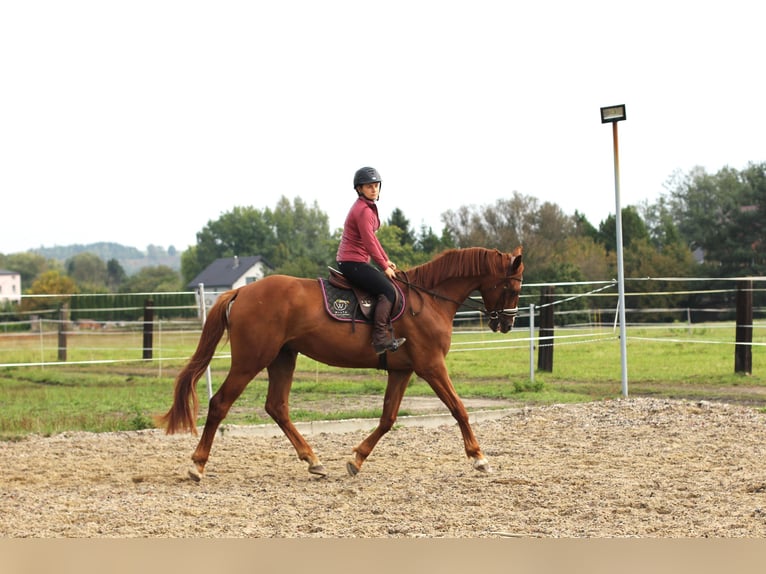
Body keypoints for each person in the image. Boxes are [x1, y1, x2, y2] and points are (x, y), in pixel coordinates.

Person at [336, 166, 406, 354]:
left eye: (376, 186)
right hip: (353, 263)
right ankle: (380, 338)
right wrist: (383, 266)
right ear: (360, 189)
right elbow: (368, 241)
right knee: (388, 291)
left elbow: (373, 239)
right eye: (369, 186)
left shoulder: (367, 208)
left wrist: (386, 259)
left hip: (355, 262)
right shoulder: (364, 211)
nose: (374, 189)